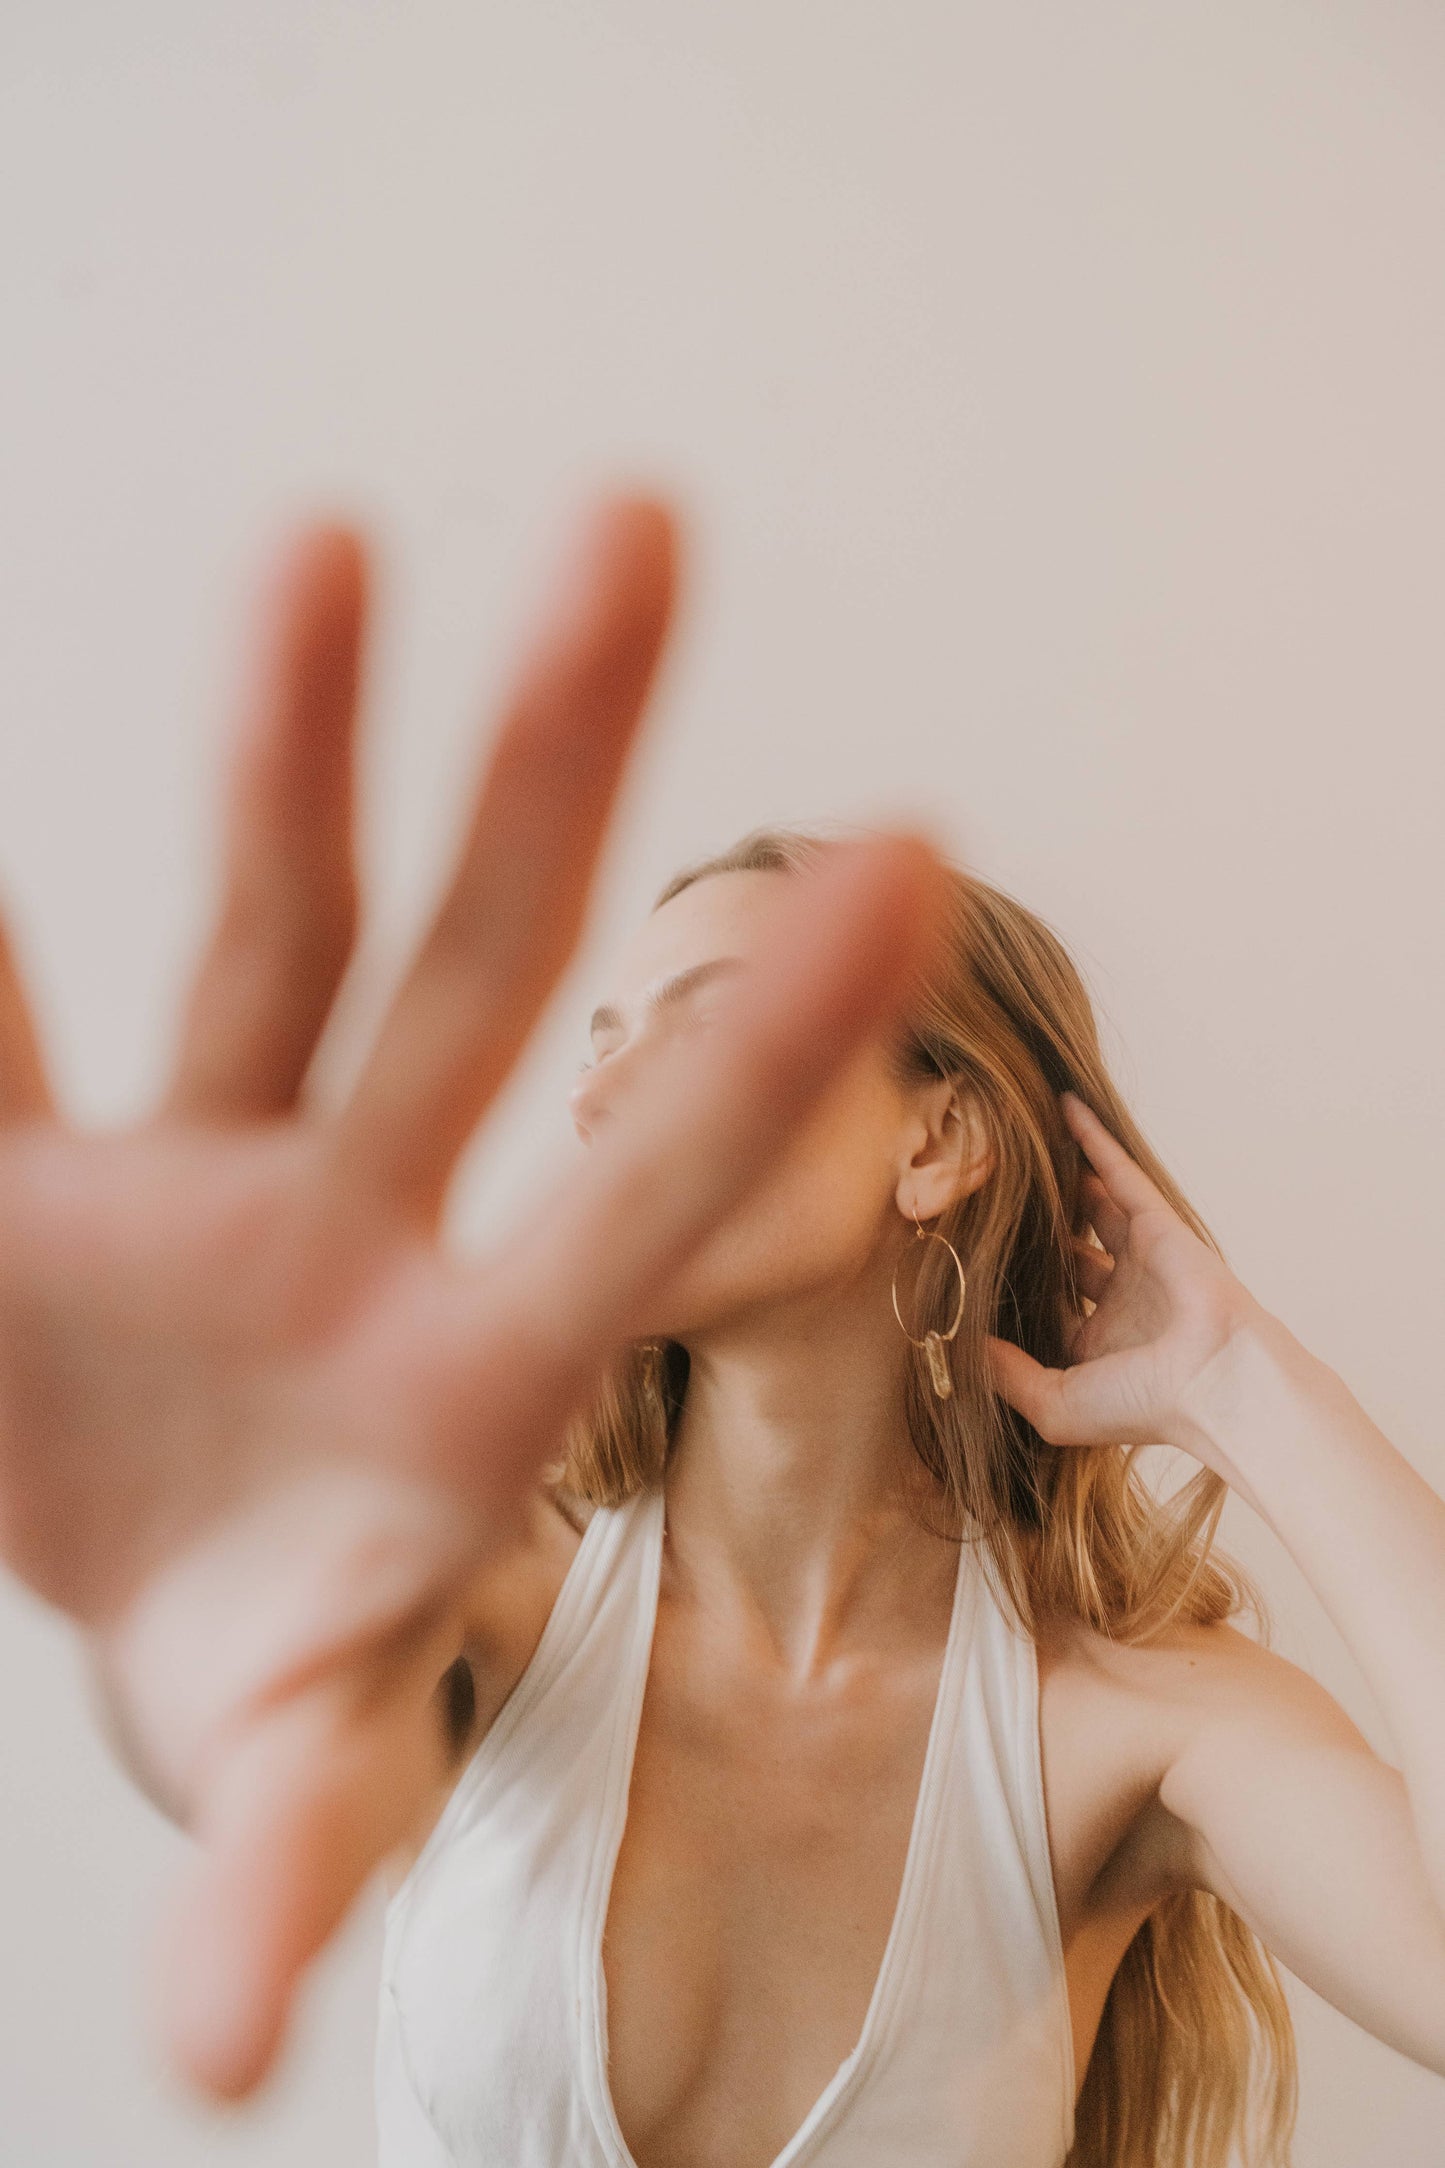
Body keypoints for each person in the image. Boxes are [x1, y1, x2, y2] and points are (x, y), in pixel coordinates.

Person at [3, 501, 1444, 2168]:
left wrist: (1252, 1390)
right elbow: (255, 1710)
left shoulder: (1124, 1724)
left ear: (936, 1144)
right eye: (598, 1045)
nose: (601, 1103)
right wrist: (194, 1595)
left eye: (705, 1034)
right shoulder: (493, 1600)